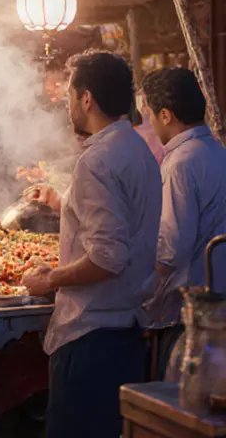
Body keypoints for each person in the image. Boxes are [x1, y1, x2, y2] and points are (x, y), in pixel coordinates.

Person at [18, 51, 160, 438]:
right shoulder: (138, 151)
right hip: (127, 332)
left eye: (69, 94)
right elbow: (118, 224)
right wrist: (63, 205)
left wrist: (50, 278)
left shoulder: (96, 161)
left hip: (91, 337)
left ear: (86, 99)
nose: (66, 104)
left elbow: (108, 257)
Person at [141, 67, 226, 376]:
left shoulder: (180, 163)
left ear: (165, 115)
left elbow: (170, 249)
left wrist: (139, 293)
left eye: (150, 114)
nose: (150, 123)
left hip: (187, 317)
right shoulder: (218, 152)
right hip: (217, 306)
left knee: (179, 397)